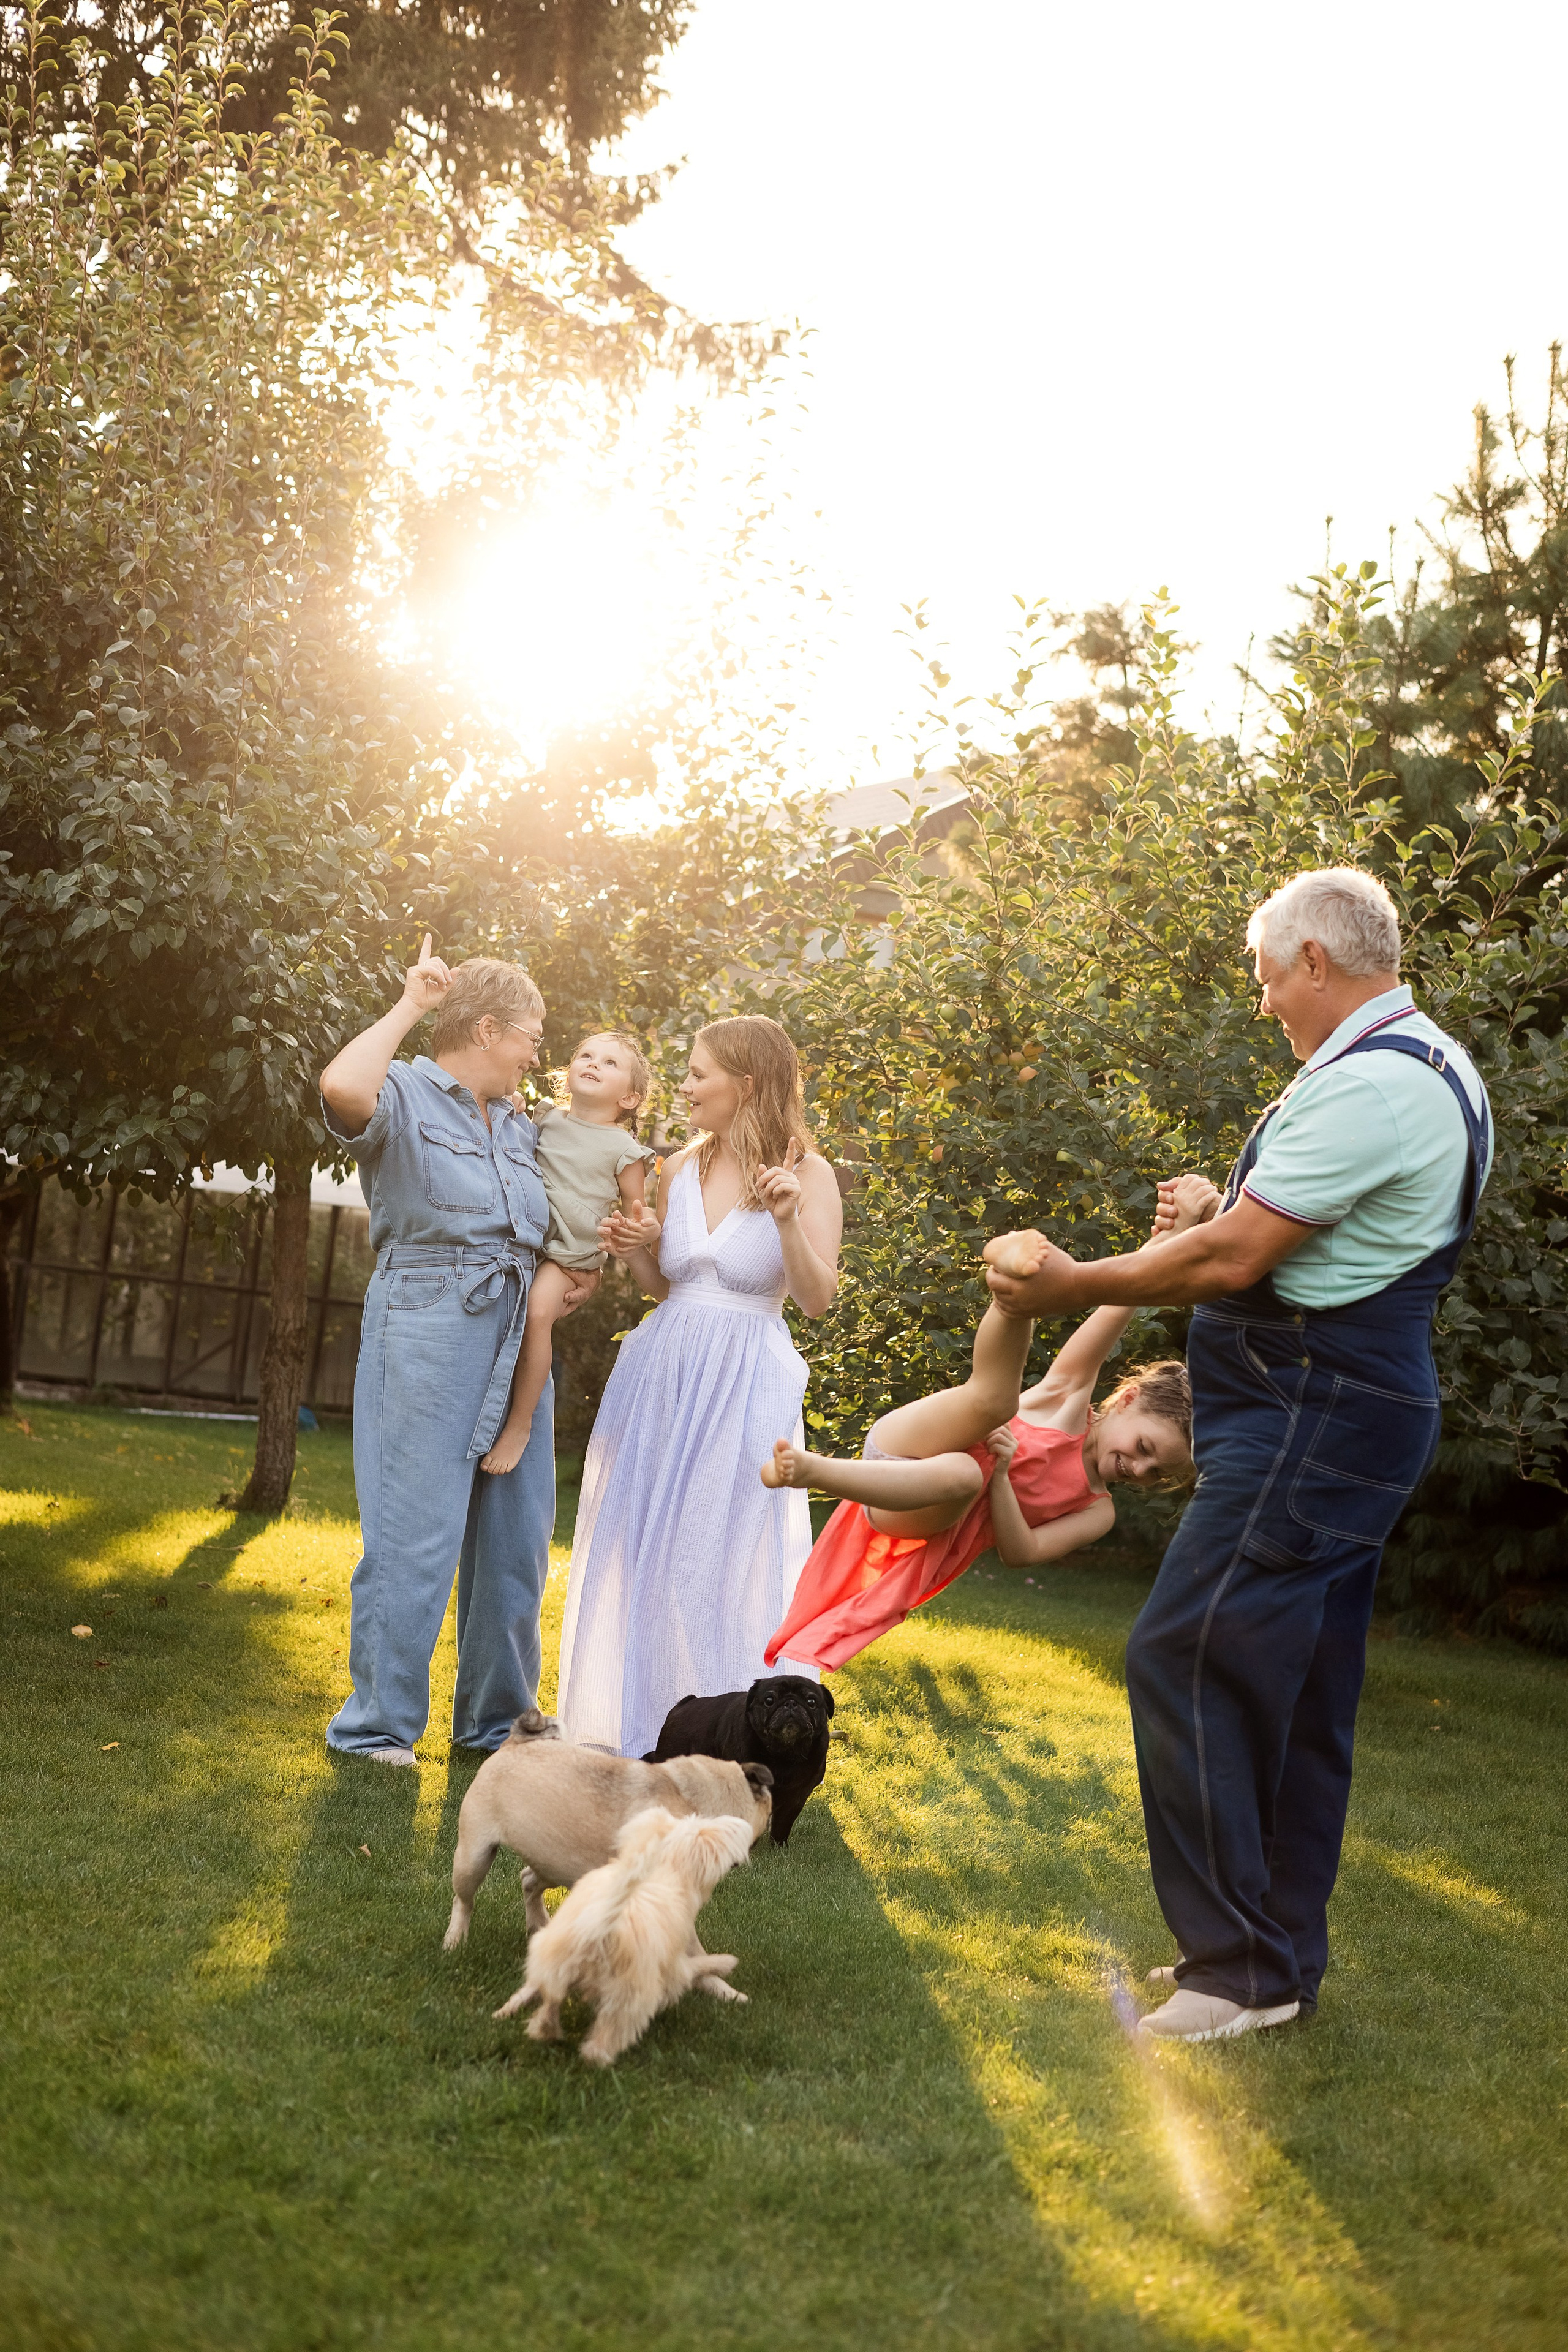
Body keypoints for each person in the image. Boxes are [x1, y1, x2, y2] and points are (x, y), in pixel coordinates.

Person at [985, 869, 1493, 2042]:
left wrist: (1069, 1283)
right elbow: (1265, 1234)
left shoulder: (1374, 1084)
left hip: (1314, 1408)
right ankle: (1273, 1963)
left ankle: (1233, 1972)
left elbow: (1233, 1262)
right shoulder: (1424, 1066)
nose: (1265, 1002)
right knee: (1300, 1693)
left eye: (1269, 978)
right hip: (1340, 1406)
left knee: (1189, 1653)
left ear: (1317, 959)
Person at [319, 937, 590, 1766]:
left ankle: (497, 1726)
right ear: (482, 1029)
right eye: (529, 1037)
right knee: (415, 1533)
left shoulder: (522, 1127)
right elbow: (340, 1089)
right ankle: (377, 1727)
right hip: (428, 1325)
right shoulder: (402, 1092)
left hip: (519, 1334)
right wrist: (410, 1005)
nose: (536, 1053)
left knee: (514, 1542)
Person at [760, 1181, 1214, 1672]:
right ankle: (1008, 1277)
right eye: (1146, 1447)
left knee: (965, 1474)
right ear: (1126, 1400)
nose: (1140, 1469)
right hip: (908, 1442)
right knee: (995, 1401)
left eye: (1155, 1473)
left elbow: (1022, 1552)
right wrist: (1181, 1228)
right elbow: (1123, 1299)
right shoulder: (1067, 1396)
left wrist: (1001, 1474)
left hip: (914, 1511)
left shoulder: (1097, 1510)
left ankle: (812, 1471)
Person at [556, 1015, 843, 1759]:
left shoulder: (810, 1175)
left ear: (745, 1085)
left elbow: (815, 1299)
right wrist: (635, 1254)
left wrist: (785, 1221)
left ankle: (736, 1738)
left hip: (748, 1378)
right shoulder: (678, 1166)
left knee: (722, 1548)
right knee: (648, 1547)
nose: (683, 1087)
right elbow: (666, 1286)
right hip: (663, 1373)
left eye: (697, 1074)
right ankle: (642, 1723)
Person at [478, 1033, 657, 1476]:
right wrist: (511, 1101)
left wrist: (641, 1230)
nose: (594, 1063)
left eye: (611, 1063)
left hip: (569, 1254)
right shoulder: (546, 1117)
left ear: (630, 1097)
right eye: (587, 1056)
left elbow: (637, 1213)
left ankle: (520, 1426)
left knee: (538, 1314)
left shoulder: (625, 1150)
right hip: (528, 1240)